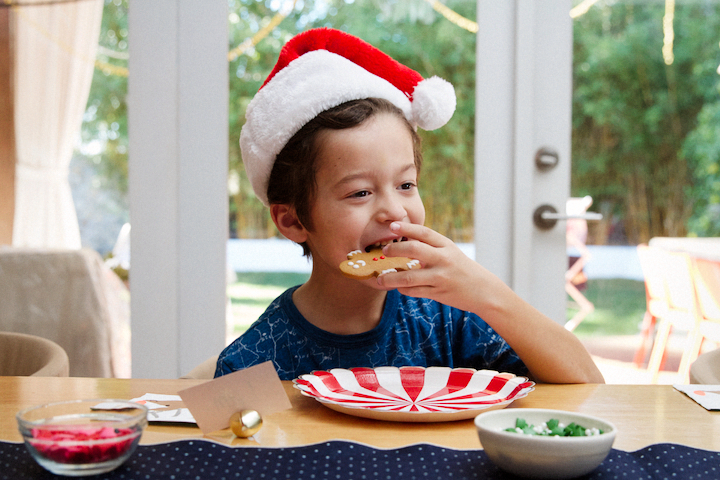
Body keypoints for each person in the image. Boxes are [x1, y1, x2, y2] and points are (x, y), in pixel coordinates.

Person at [216, 28, 604, 384]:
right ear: (293, 219)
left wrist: (487, 292)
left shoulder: (449, 319)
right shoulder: (257, 356)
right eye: (360, 193)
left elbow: (588, 385)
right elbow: (232, 449)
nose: (394, 211)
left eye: (405, 185)